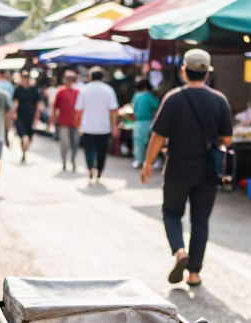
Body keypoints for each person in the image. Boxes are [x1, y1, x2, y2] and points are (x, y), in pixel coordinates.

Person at [140, 49, 233, 287]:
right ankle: (194, 273)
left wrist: (148, 163)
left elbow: (158, 136)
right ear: (207, 73)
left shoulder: (173, 98)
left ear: (183, 71)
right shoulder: (219, 100)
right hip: (207, 171)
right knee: (200, 221)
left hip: (177, 168)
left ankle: (180, 251)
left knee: (171, 213)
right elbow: (227, 140)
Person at [75, 67, 119, 185]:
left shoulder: (84, 90)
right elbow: (113, 110)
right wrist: (114, 126)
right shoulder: (108, 90)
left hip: (87, 126)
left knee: (88, 150)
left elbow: (79, 110)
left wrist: (78, 125)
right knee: (101, 151)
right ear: (102, 77)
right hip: (104, 127)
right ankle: (99, 171)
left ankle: (90, 168)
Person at [52, 70, 81, 171]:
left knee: (75, 143)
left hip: (75, 123)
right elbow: (55, 107)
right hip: (63, 122)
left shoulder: (78, 92)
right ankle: (64, 161)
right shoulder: (60, 91)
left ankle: (72, 160)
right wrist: (54, 119)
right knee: (65, 143)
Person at [11, 70, 42, 163]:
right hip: (21, 116)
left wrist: (37, 115)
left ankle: (24, 153)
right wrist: (14, 114)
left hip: (31, 117)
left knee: (29, 137)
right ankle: (24, 152)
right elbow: (15, 103)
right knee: (24, 137)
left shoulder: (33, 90)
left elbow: (38, 104)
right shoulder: (18, 90)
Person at [130, 79, 160, 169]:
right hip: (149, 122)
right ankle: (151, 161)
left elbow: (133, 108)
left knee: (138, 143)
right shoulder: (148, 96)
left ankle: (139, 161)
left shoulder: (136, 96)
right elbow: (156, 106)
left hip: (138, 123)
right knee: (150, 143)